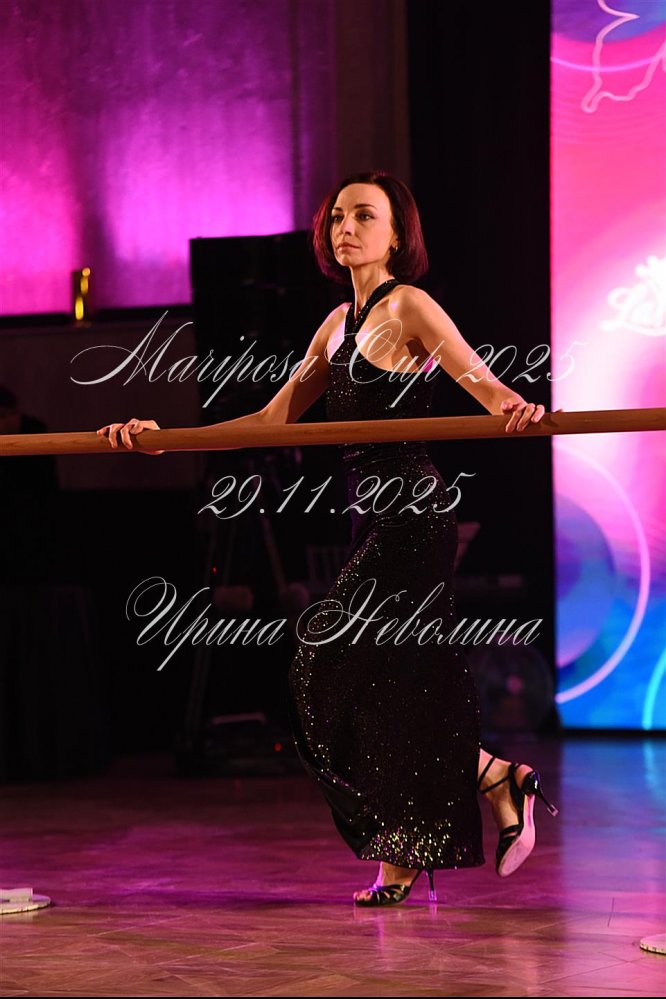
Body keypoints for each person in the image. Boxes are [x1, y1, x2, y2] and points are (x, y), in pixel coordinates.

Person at [97, 170, 559, 906]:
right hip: (371, 518)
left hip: (414, 515)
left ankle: (477, 786)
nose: (346, 227)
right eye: (338, 216)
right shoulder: (335, 323)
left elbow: (483, 385)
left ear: (397, 235)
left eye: (365, 216)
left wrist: (517, 406)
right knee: (390, 684)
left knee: (322, 670)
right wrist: (167, 439)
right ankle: (452, 810)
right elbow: (271, 420)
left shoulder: (409, 305)